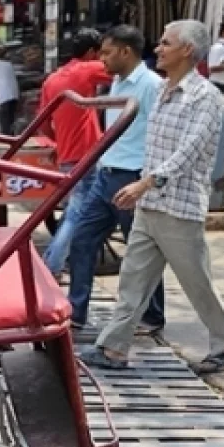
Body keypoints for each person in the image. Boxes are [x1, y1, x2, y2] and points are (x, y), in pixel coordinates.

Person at [81, 20, 224, 376]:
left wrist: (145, 183)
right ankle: (114, 349)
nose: (158, 48)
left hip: (178, 208)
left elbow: (189, 151)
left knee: (197, 283)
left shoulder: (206, 97)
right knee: (133, 280)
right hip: (150, 205)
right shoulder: (165, 91)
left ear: (187, 50)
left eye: (166, 43)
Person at [66, 25, 166, 333]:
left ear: (126, 52)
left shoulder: (151, 85)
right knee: (82, 240)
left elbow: (161, 133)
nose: (102, 59)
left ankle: (152, 316)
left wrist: (148, 180)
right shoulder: (117, 82)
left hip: (132, 176)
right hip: (106, 173)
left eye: (108, 53)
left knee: (141, 251)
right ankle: (75, 312)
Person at [40, 28, 112, 278]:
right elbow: (124, 70)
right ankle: (53, 265)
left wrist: (60, 140)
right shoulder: (88, 69)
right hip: (87, 155)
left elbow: (42, 123)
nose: (105, 58)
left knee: (76, 208)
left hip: (67, 155)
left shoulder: (52, 79)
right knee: (77, 212)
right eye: (103, 53)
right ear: (92, 52)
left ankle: (53, 261)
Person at [0, 46, 20, 135]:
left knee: (4, 121)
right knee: (11, 119)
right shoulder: (9, 64)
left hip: (4, 96)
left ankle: (7, 140)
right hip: (14, 95)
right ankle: (12, 136)